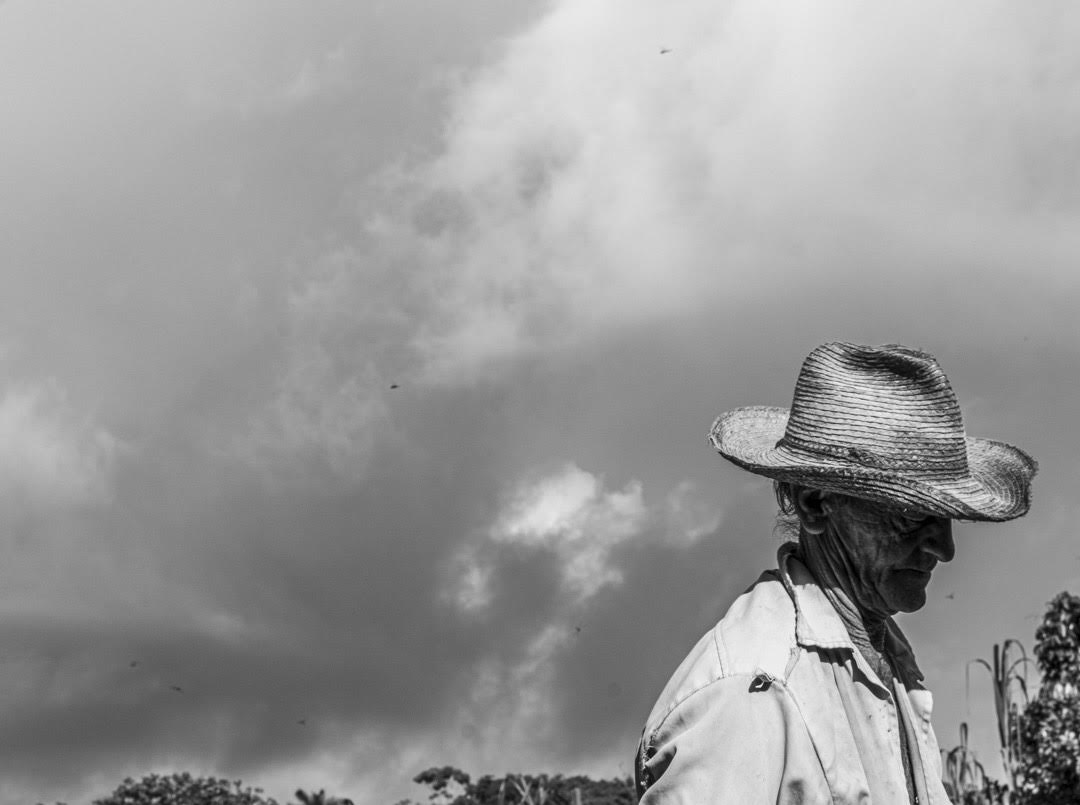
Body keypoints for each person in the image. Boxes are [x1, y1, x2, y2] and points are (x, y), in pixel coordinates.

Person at [634, 342, 1037, 804]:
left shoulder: (884, 662)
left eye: (946, 518)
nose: (943, 548)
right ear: (814, 505)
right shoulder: (752, 692)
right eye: (910, 514)